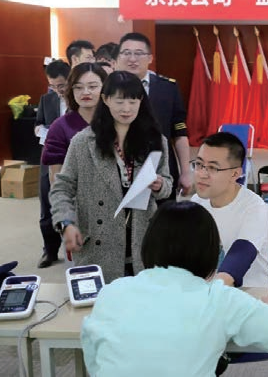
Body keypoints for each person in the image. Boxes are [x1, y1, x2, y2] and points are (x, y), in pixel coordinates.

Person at [80, 201, 268, 377]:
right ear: (210, 253)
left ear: (148, 246)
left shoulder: (112, 292)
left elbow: (93, 359)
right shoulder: (218, 299)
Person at [50, 71, 173, 283]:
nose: (127, 108)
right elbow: (62, 187)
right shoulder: (83, 142)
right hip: (98, 240)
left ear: (141, 101)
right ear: (105, 100)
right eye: (119, 101)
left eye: (133, 101)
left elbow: (167, 183)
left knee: (142, 296)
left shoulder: (155, 140)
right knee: (100, 298)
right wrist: (66, 222)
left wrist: (160, 185)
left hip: (142, 237)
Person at [191, 132, 268, 288]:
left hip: (249, 294)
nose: (201, 174)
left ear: (235, 173)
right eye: (199, 164)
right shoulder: (197, 203)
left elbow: (240, 256)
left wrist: (209, 292)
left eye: (212, 168)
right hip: (208, 292)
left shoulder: (255, 208)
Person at [116, 32, 191, 199]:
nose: (132, 59)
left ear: (150, 58)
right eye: (126, 53)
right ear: (118, 57)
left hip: (161, 167)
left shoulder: (168, 88)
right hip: (120, 168)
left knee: (164, 213)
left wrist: (186, 172)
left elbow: (179, 132)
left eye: (139, 53)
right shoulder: (108, 89)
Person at [42, 63, 108, 185]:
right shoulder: (60, 127)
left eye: (92, 86)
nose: (85, 92)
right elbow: (56, 175)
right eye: (78, 87)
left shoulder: (115, 121)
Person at [35, 60, 71, 268]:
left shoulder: (80, 98)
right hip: (50, 157)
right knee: (47, 204)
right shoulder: (46, 99)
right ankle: (49, 250)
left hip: (72, 157)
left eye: (61, 85)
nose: (58, 90)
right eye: (53, 86)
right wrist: (41, 131)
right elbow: (38, 123)